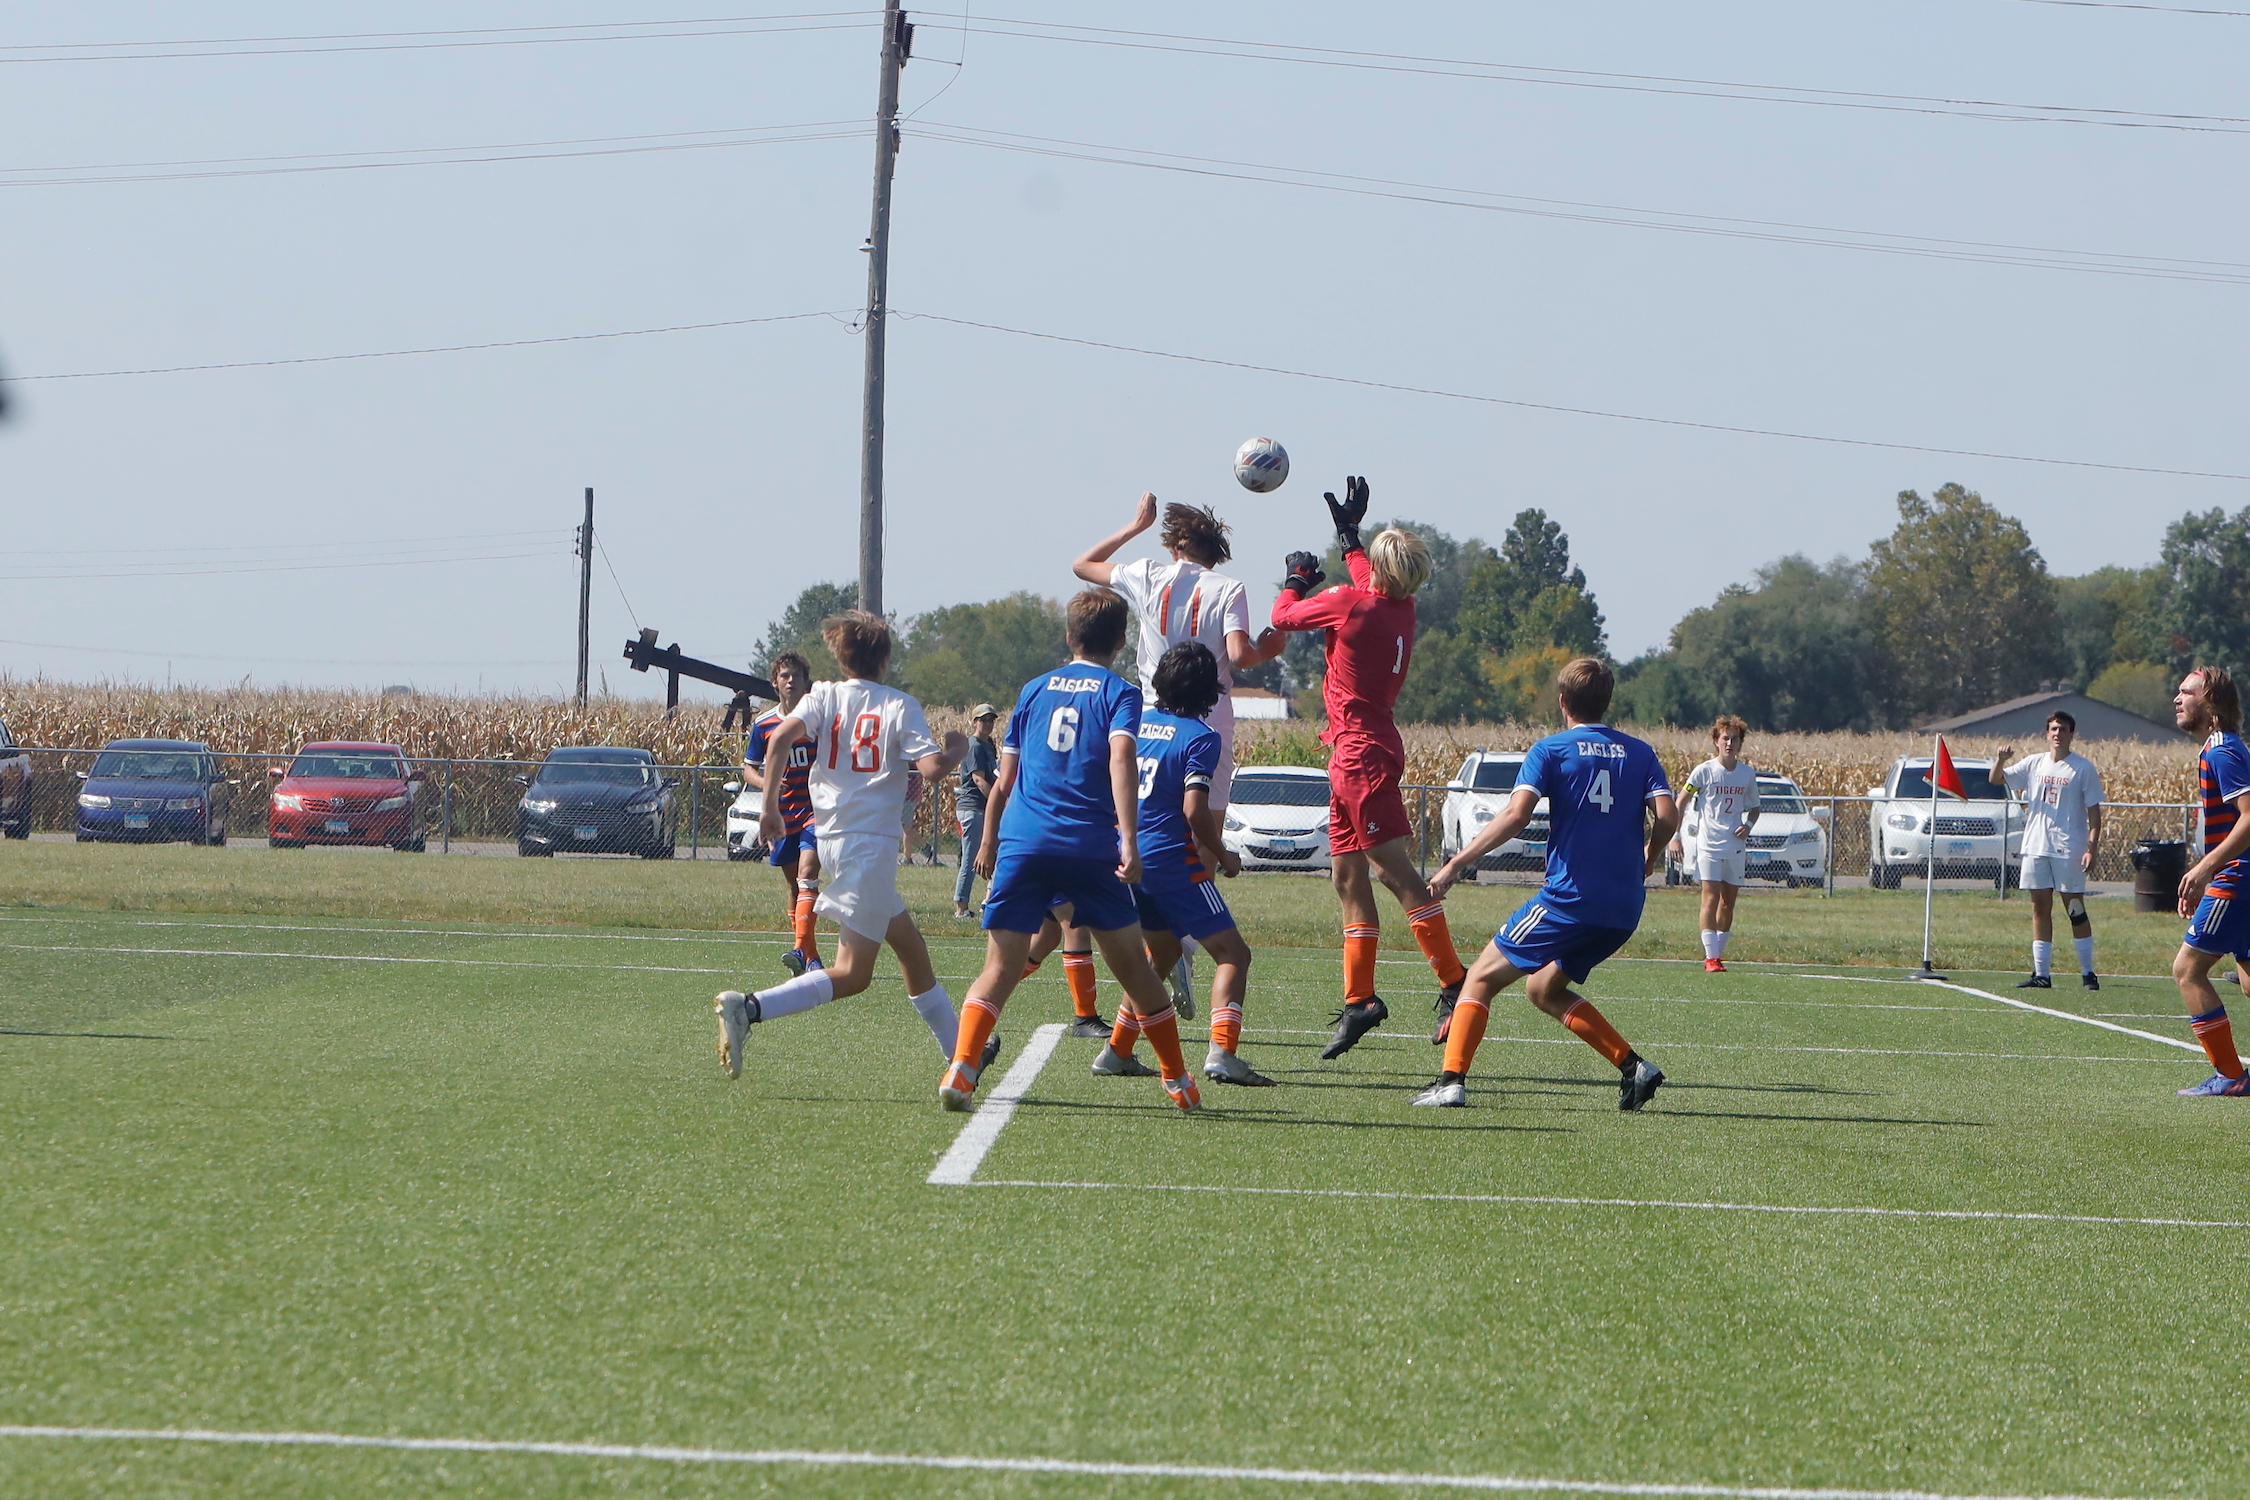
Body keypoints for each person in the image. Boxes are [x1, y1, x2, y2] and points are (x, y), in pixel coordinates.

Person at [939, 588, 1202, 1113]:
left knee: (999, 967)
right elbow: (1121, 760)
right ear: (1121, 641)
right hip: (1087, 844)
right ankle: (1178, 1081)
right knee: (1135, 969)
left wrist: (992, 838)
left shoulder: (1034, 689)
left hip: (1024, 840)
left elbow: (1005, 779)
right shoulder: (1121, 693)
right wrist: (1129, 839)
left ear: (1068, 637)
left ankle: (962, 1069)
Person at [713, 612, 970, 1080]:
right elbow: (933, 769)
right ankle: (749, 1008)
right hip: (869, 847)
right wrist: (957, 747)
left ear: (840, 657)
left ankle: (961, 1054)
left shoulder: (824, 695)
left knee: (912, 950)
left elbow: (779, 739)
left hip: (831, 838)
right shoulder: (899, 704)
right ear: (886, 659)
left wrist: (769, 808)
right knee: (853, 974)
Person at [1415, 658, 1678, 1111]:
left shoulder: (1551, 749)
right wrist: (1649, 858)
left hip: (1570, 899)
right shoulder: (1640, 753)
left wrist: (1455, 864)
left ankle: (1450, 1082)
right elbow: (1668, 817)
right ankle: (1633, 1067)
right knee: (1542, 989)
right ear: (1607, 701)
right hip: (1624, 906)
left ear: (1562, 702)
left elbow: (1516, 815)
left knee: (1478, 977)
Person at [1268, 477, 1469, 1058]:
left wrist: (1296, 578)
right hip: (1358, 750)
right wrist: (1350, 538)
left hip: (1360, 754)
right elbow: (1364, 582)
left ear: (1380, 569)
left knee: (1393, 872)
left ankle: (1455, 982)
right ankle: (1360, 1000)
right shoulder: (1399, 605)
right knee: (1347, 876)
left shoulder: (1351, 602)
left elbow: (1284, 617)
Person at [1075, 493, 1286, 1009]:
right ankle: (1185, 945)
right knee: (1201, 842)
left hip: (1147, 721)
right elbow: (1240, 655)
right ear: (1216, 552)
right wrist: (1270, 645)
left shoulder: (1148, 573)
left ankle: (1163, 950)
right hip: (1205, 723)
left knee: (1143, 830)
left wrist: (1133, 527)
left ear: (1174, 543)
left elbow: (1083, 565)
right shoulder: (1228, 587)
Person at [1093, 642, 1274, 1086]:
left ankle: (1117, 1050)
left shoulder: (1134, 724)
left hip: (1123, 855)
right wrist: (1224, 855)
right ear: (1209, 691)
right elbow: (1195, 810)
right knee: (1233, 954)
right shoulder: (1201, 737)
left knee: (1163, 954)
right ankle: (1223, 1053)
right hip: (1169, 860)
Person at [2168, 666, 2250, 1097]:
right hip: (2239, 875)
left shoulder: (2222, 751)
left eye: (2187, 692)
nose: (2177, 699)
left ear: (2211, 701)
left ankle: (2232, 1076)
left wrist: (2204, 870)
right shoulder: (2220, 748)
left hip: (2238, 876)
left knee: (2187, 971)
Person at [1989, 710, 2106, 990]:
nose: (2057, 734)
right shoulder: (2034, 763)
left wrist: (2091, 847)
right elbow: (1996, 779)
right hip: (2036, 845)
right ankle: (2042, 974)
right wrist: (2001, 759)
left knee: (2075, 908)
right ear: (2047, 733)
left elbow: (2094, 812)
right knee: (2040, 908)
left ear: (2071, 734)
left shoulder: (2082, 768)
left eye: (2063, 729)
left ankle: (2088, 973)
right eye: (2053, 729)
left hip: (2068, 847)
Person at [743, 651, 823, 975]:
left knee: (808, 872)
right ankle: (808, 954)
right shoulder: (764, 725)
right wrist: (768, 784)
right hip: (781, 814)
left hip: (816, 810)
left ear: (806, 683)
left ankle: (802, 949)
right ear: (775, 683)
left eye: (796, 676)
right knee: (794, 884)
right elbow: (748, 768)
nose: (791, 681)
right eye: (784, 676)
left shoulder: (819, 721)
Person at [1675, 716, 1760, 973]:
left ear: (1740, 743)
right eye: (1725, 738)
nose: (1729, 743)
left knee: (1727, 903)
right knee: (1710, 897)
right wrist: (1674, 836)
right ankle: (1711, 958)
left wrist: (1748, 825)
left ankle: (1717, 955)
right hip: (1709, 844)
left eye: (1734, 739)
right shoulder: (1703, 771)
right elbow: (1681, 802)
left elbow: (1755, 808)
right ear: (1716, 741)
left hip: (1735, 846)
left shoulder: (1746, 774)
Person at [952, 703, 1001, 918]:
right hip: (972, 808)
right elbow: (979, 780)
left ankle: (989, 899)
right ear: (974, 722)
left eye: (991, 720)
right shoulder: (974, 746)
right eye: (983, 720)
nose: (988, 724)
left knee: (999, 854)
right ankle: (961, 907)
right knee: (971, 859)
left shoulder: (988, 745)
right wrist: (997, 802)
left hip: (984, 808)